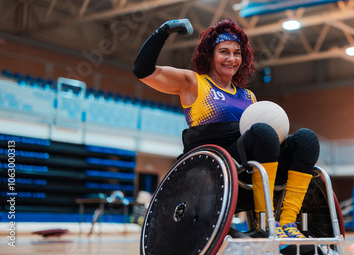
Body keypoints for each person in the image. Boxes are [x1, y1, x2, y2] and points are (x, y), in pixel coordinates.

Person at [132, 18, 320, 253]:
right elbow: (142, 70)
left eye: (237, 53)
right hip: (215, 165)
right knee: (262, 132)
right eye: (224, 52)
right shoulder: (194, 83)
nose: (231, 59)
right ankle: (266, 223)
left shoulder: (248, 96)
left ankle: (287, 223)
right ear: (210, 55)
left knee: (306, 138)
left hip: (252, 161)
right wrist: (163, 30)